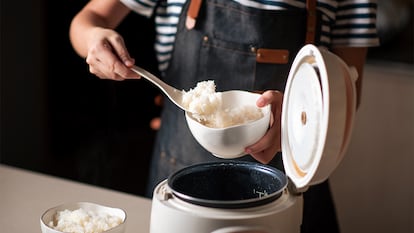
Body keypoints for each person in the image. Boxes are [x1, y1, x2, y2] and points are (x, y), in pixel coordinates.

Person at [69, 0, 379, 232]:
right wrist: (95, 39)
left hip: (291, 184)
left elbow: (349, 93)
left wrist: (301, 111)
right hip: (180, 182)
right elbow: (87, 20)